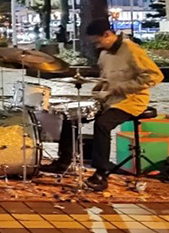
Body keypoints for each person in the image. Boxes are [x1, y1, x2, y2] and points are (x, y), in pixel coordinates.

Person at [42, 18, 163, 191]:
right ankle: (63, 161)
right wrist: (97, 91)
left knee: (102, 124)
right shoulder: (104, 54)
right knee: (71, 116)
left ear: (107, 34)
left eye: (98, 41)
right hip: (108, 99)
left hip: (131, 101)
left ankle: (101, 174)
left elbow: (154, 76)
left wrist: (120, 88)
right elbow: (104, 79)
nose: (97, 46)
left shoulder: (131, 50)